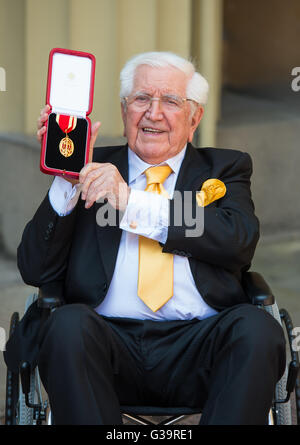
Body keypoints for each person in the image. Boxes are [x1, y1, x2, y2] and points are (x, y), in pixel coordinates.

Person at [7, 52, 285, 425]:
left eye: (171, 101)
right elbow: (36, 269)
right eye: (141, 99)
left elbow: (236, 241)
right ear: (124, 112)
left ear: (194, 117)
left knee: (257, 329)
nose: (153, 113)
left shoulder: (224, 168)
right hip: (105, 349)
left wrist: (129, 201)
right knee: (66, 324)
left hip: (200, 347)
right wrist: (65, 182)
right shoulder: (92, 168)